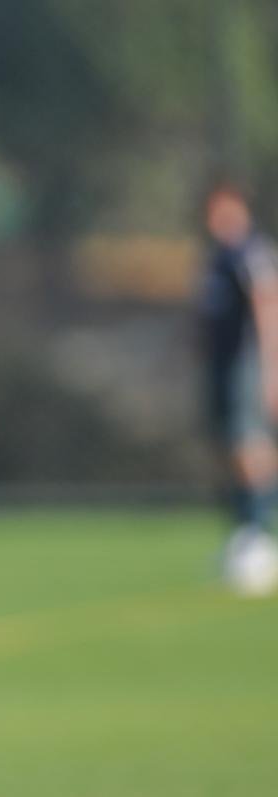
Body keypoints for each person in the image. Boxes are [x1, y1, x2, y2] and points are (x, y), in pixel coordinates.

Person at [200, 182, 278, 596]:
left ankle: (259, 534)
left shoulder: (249, 251)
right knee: (231, 447)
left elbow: (267, 304)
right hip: (223, 366)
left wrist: (271, 369)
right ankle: (244, 534)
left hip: (248, 365)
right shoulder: (217, 256)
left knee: (252, 446)